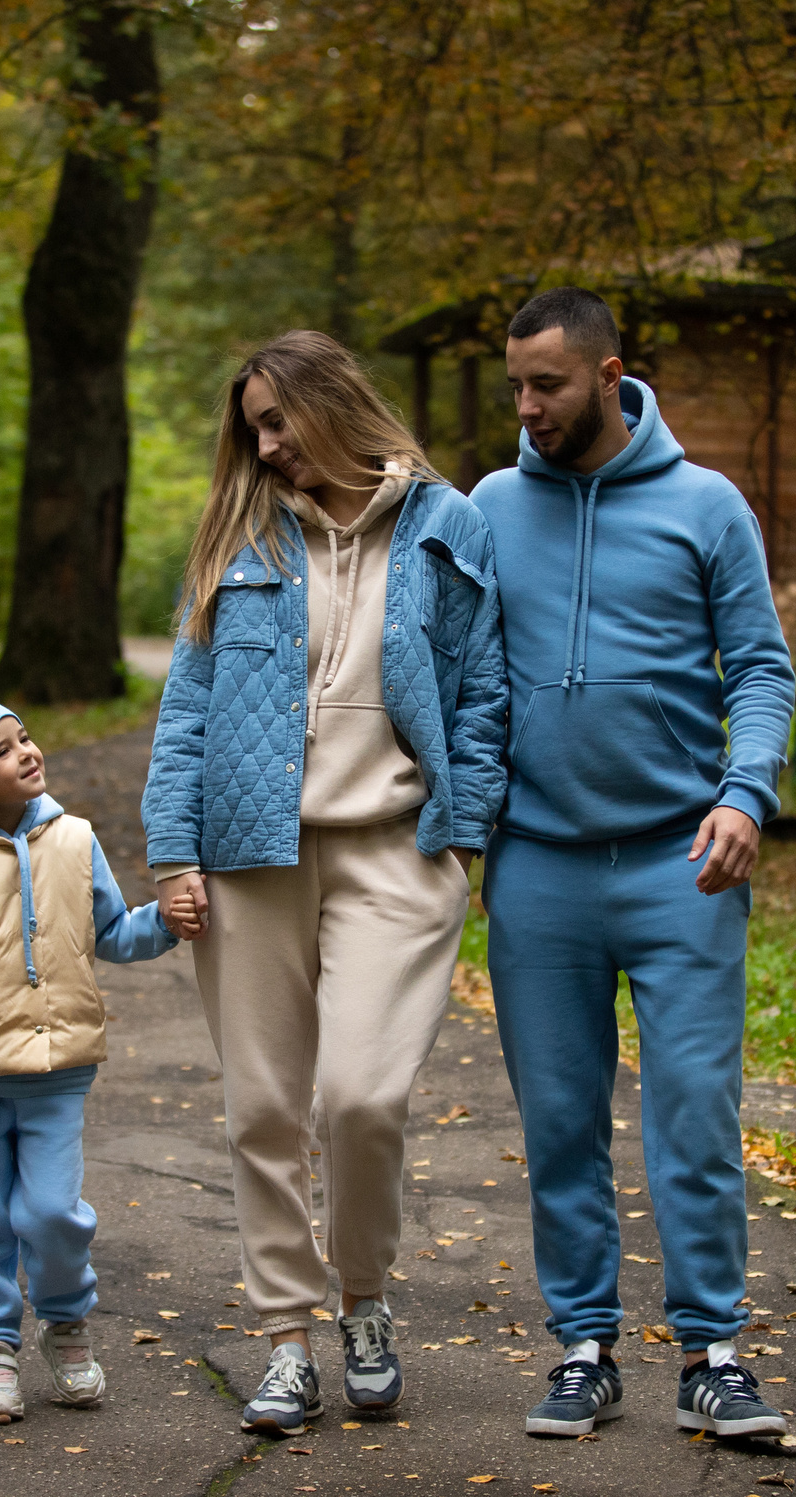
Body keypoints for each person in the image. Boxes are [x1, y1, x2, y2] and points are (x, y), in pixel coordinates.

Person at [143, 330, 507, 1436]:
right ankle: (287, 1340)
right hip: (248, 852)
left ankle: (365, 1299)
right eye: (251, 430)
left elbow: (484, 692)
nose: (264, 446)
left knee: (360, 1098)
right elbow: (187, 711)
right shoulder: (240, 533)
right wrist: (171, 853)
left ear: (331, 405)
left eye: (275, 421)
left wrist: (467, 833)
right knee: (260, 1107)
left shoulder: (450, 523)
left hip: (398, 848)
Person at [468, 287, 796, 1441]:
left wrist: (745, 795)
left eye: (547, 385)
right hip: (540, 870)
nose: (527, 406)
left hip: (682, 865)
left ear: (610, 377)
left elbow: (759, 668)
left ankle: (712, 1353)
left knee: (692, 1119)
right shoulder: (491, 507)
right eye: (515, 385)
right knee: (559, 1119)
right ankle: (583, 1348)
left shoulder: (707, 506)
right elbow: (460, 678)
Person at [0, 697, 183, 1423]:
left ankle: (64, 1324)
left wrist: (168, 922)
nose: (26, 751)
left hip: (59, 1073)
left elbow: (114, 932)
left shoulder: (78, 840)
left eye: (24, 736)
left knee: (52, 1211)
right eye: (2, 750)